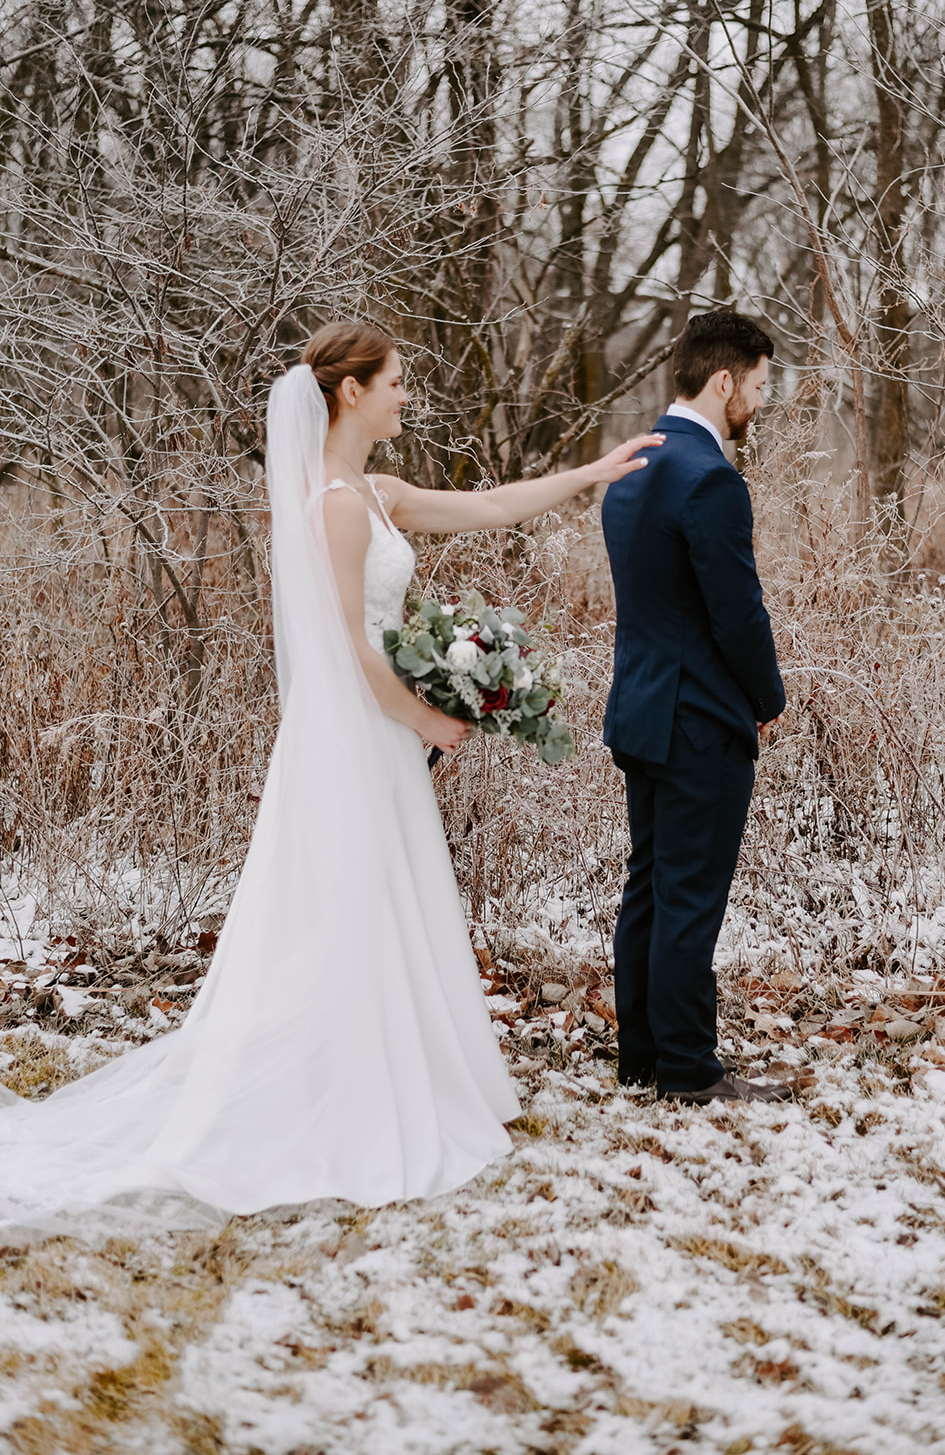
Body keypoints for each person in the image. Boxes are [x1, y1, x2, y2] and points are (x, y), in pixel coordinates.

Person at [0, 321, 661, 1239]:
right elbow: (352, 649)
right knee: (348, 905)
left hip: (373, 735)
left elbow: (494, 505)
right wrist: (431, 718)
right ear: (350, 391)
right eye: (393, 382)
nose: (404, 396)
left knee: (379, 900)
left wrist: (596, 471)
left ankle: (385, 1070)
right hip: (355, 736)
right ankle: (339, 1094)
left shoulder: (375, 493)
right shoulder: (337, 507)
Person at [601, 309, 789, 1106]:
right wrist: (767, 697)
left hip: (641, 706)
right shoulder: (710, 478)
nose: (761, 401)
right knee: (688, 895)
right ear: (723, 382)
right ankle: (688, 1069)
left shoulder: (636, 461)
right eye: (758, 385)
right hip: (698, 717)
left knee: (650, 885)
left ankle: (642, 1053)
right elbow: (736, 611)